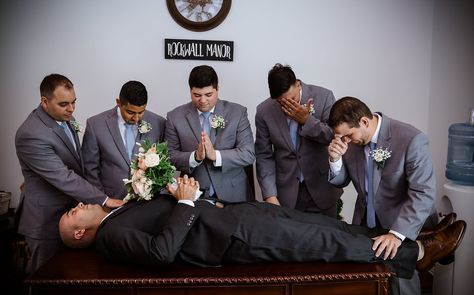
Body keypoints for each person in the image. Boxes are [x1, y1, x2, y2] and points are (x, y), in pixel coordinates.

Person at [59, 175, 465, 284]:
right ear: (81, 235)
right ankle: (421, 255)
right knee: (323, 242)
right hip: (233, 239)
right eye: (71, 216)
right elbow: (161, 253)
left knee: (326, 224)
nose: (76, 207)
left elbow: (166, 217)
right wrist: (183, 203)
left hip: (236, 213)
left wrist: (183, 195)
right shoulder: (110, 238)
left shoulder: (117, 213)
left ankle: (413, 239)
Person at [327, 96, 440, 295]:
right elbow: (342, 180)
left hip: (402, 223)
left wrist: (397, 234)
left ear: (365, 122)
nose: (345, 142)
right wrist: (335, 160)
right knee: (368, 285)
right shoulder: (349, 142)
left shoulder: (411, 139)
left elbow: (423, 193)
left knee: (402, 282)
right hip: (365, 221)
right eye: (340, 137)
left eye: (348, 135)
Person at [15, 74, 124, 273]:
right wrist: (103, 199)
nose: (72, 109)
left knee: (69, 283)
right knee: (43, 284)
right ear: (44, 102)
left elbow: (75, 161)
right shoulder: (31, 134)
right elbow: (63, 176)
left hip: (72, 217)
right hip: (45, 222)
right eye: (64, 104)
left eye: (74, 102)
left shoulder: (65, 117)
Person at [255, 63, 342, 217]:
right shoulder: (264, 111)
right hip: (286, 192)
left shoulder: (324, 97)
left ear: (298, 84)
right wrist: (270, 195)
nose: (288, 105)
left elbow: (334, 137)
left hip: (322, 188)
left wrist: (306, 120)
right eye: (281, 102)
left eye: (292, 99)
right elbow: (264, 155)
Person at [165, 65, 255, 202]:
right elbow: (169, 156)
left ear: (217, 89)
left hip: (234, 195)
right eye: (197, 95)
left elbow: (248, 154)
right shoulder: (175, 117)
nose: (202, 101)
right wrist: (194, 157)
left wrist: (215, 155)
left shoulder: (237, 113)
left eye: (208, 95)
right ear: (190, 91)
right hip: (193, 195)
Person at [81, 80, 166, 199]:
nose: (136, 118)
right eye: (130, 112)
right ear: (118, 103)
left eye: (141, 112)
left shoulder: (159, 123)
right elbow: (90, 170)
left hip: (148, 203)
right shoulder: (95, 125)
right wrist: (102, 201)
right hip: (111, 200)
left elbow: (163, 163)